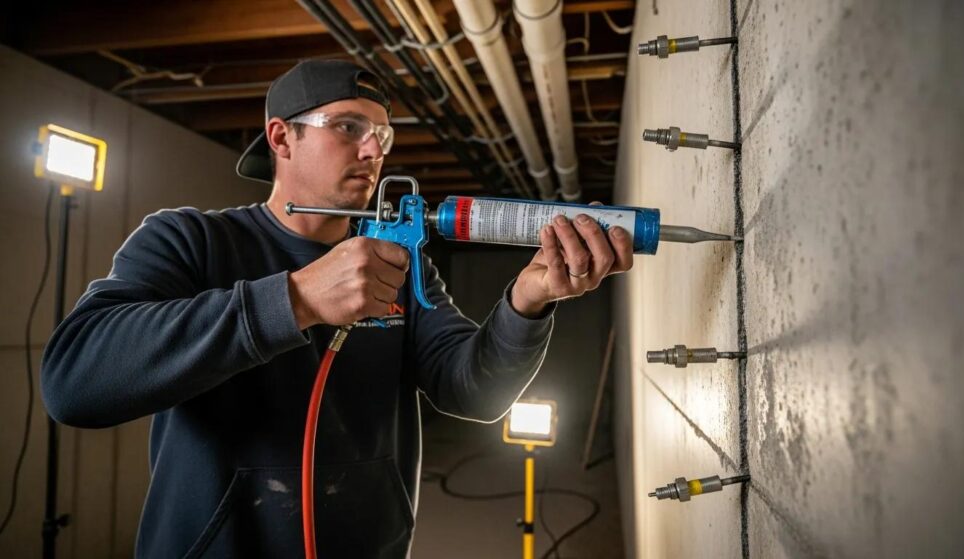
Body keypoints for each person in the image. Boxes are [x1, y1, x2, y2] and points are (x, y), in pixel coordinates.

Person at [40, 60, 633, 558]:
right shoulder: (188, 241)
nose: (374, 149)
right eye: (348, 126)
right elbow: (74, 382)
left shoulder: (402, 260)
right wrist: (293, 300)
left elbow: (473, 389)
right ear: (281, 138)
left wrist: (526, 302)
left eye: (382, 133)